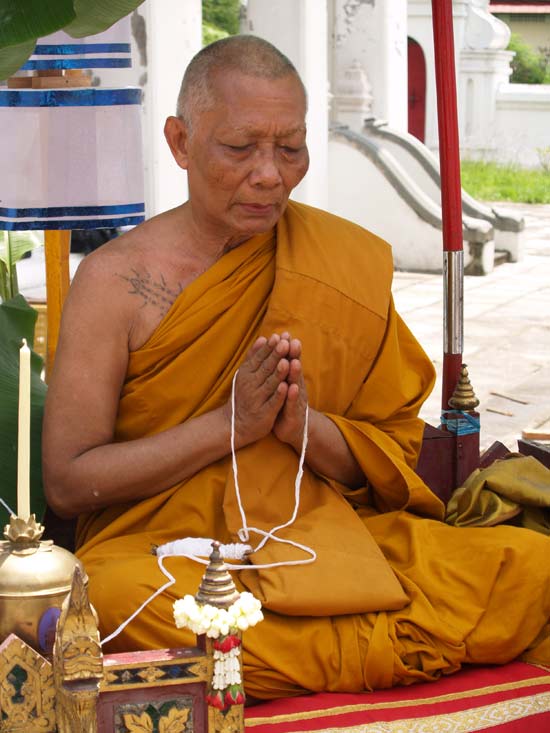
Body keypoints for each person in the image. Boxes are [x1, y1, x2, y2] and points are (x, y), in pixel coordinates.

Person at [43, 35, 550, 699]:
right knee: (105, 594)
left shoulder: (337, 261)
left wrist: (302, 426)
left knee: (531, 564)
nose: (270, 174)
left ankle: (260, 657)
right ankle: (370, 644)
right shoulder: (115, 282)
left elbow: (390, 461)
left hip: (320, 540)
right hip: (164, 552)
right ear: (180, 142)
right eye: (240, 147)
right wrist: (227, 427)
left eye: (291, 148)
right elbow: (68, 483)